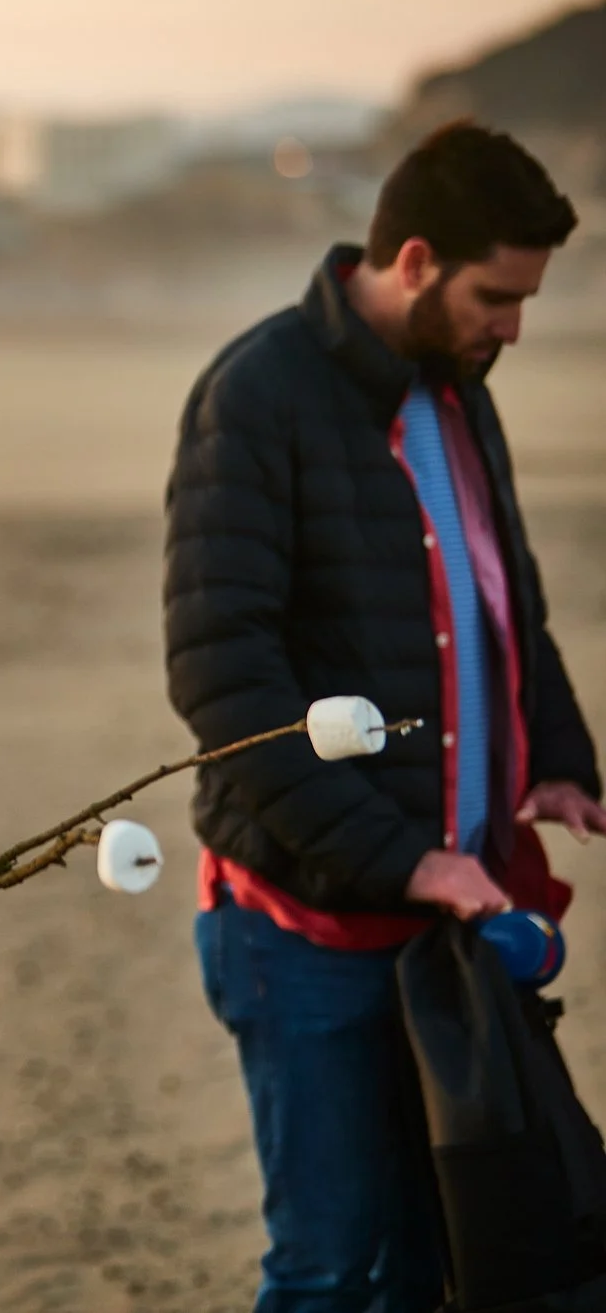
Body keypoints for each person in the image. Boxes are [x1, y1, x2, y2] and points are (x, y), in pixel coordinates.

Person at [165, 120, 605, 1312]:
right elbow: (223, 684)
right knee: (332, 1271)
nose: (511, 325)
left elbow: (504, 605)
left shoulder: (458, 394)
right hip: (298, 928)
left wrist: (557, 761)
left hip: (448, 914)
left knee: (453, 1259)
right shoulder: (256, 396)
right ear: (413, 259)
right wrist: (403, 857)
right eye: (494, 295)